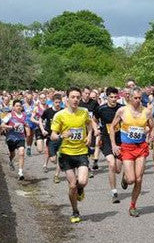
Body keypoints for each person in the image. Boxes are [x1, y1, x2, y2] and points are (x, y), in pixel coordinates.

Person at [109, 86, 154, 217]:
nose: (138, 100)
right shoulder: (122, 111)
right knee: (131, 180)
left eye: (140, 98)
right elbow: (112, 128)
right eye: (135, 98)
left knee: (139, 179)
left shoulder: (146, 112)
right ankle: (125, 177)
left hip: (141, 147)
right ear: (129, 98)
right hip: (127, 148)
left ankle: (133, 206)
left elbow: (152, 128)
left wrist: (151, 135)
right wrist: (113, 145)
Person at [51, 87, 94, 223]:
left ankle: (80, 189)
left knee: (82, 181)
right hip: (66, 154)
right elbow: (52, 135)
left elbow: (89, 124)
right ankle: (75, 211)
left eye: (78, 97)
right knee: (72, 185)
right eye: (73, 97)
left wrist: (89, 136)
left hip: (81, 152)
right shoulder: (60, 115)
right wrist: (60, 135)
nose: (75, 100)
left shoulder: (84, 112)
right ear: (67, 99)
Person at [94, 87, 123, 203]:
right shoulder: (101, 109)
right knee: (111, 164)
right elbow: (94, 119)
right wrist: (96, 129)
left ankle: (125, 179)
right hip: (106, 139)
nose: (113, 99)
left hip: (120, 139)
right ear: (107, 97)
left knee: (118, 169)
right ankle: (114, 192)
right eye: (111, 97)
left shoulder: (121, 108)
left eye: (115, 97)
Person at [1, 100, 30, 180]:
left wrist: (27, 132)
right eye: (17, 106)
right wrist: (12, 127)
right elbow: (2, 125)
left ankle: (20, 172)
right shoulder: (10, 115)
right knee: (12, 154)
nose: (18, 107)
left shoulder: (24, 115)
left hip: (21, 137)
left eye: (20, 106)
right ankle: (11, 160)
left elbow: (26, 124)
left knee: (21, 153)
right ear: (13, 107)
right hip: (11, 138)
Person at [40, 93, 63, 183]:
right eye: (56, 102)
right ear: (52, 102)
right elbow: (40, 120)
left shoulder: (63, 111)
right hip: (51, 138)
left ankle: (56, 176)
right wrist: (42, 130)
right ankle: (53, 158)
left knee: (60, 157)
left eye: (59, 102)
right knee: (53, 159)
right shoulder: (48, 111)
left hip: (61, 137)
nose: (58, 104)